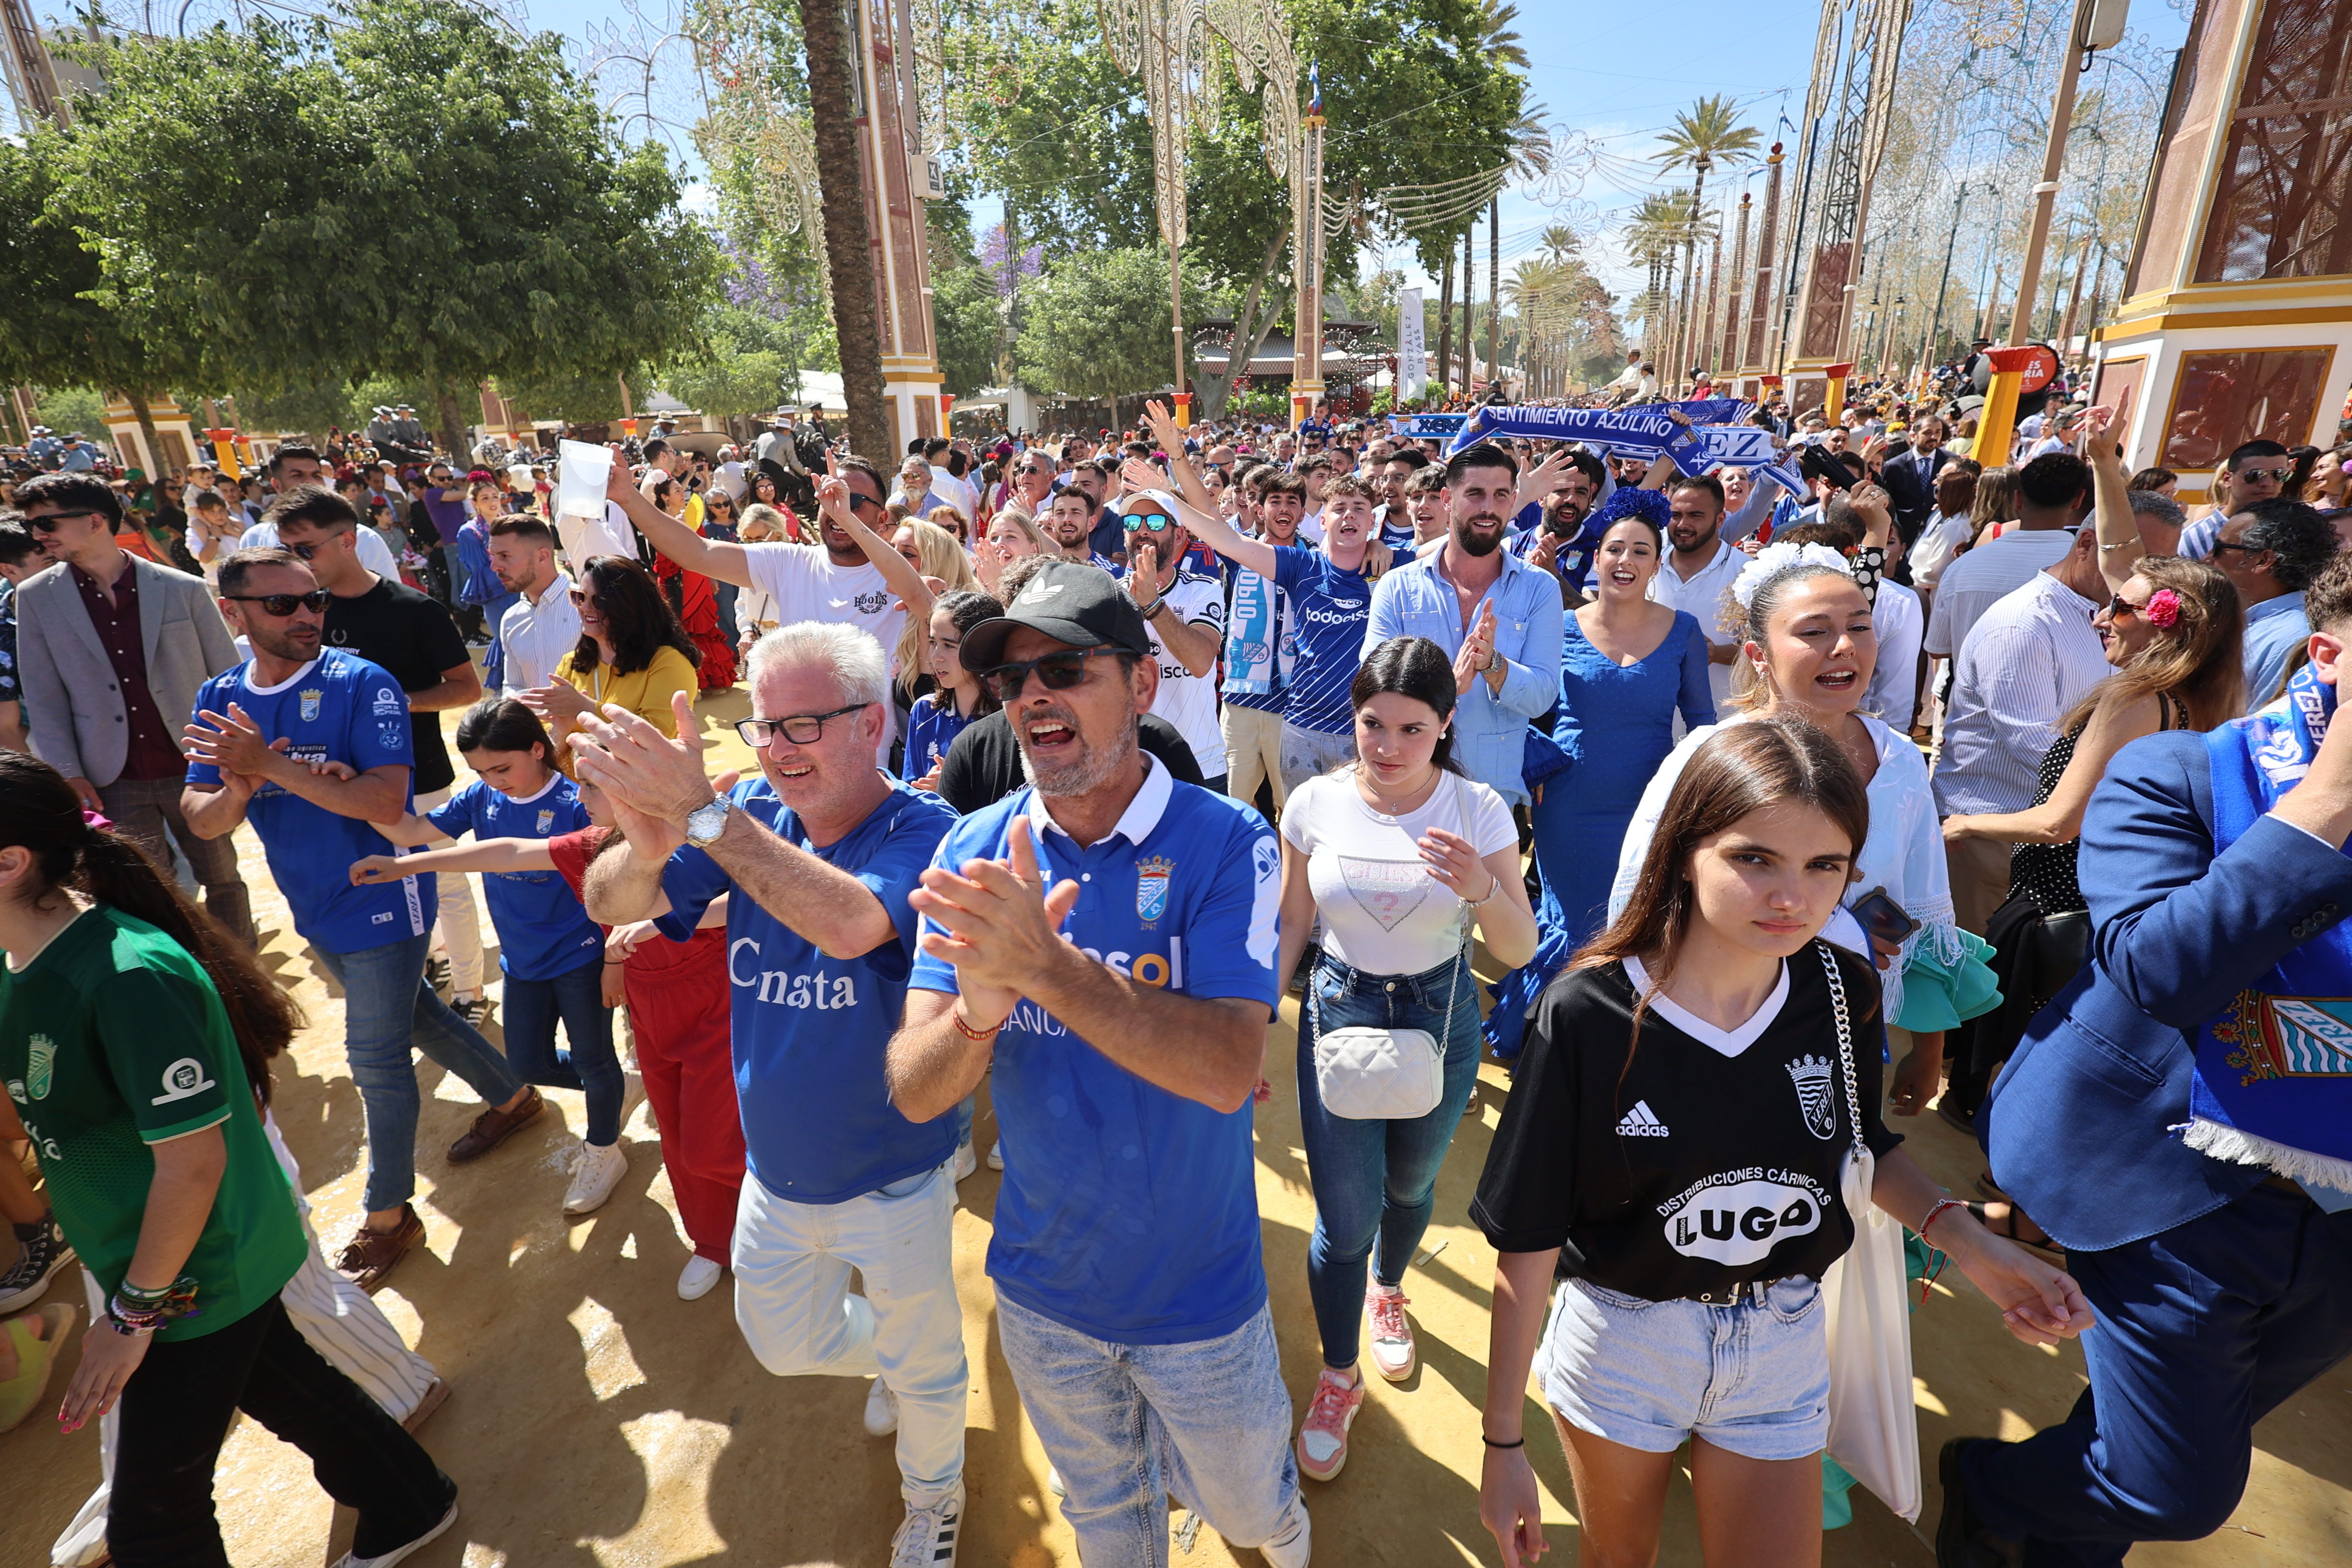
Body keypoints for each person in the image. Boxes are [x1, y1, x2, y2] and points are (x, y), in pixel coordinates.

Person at [1473, 717, 2092, 1568]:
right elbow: (1529, 1235)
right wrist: (1502, 1443)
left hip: (1783, 1338)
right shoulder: (1587, 1015)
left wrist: (1972, 1244)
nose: (1793, 897)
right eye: (1754, 859)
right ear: (1685, 848)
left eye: (1824, 866)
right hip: (1626, 1342)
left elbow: (1861, 1146)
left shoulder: (1843, 990)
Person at [885, 560, 1310, 1568]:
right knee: (1108, 1525)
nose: (1031, 694)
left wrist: (1045, 968)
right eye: (1009, 679)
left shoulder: (1226, 841)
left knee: (1249, 1514)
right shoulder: (973, 851)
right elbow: (913, 1088)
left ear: (1142, 684)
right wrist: (978, 1018)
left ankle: (1274, 1524)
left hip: (1199, 1298)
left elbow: (1222, 1070)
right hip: (1043, 1298)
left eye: (1065, 667)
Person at [1939, 542, 2352, 1568]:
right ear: (2326, 660)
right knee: (2169, 1488)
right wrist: (2324, 811)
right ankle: (1981, 1484)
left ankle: (2042, 1546)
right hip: (2170, 1192)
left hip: (2333, 1227)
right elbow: (2157, 972)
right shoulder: (2178, 772)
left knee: (2156, 1441)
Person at [0, 752, 464, 1568]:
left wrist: (129, 1317)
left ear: (11, 862)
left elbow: (192, 1165)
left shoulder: (126, 976)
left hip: (192, 1271)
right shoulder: (19, 966)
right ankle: (412, 1499)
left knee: (153, 1520)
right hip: (158, 1261)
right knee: (292, 1388)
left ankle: (410, 1498)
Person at [575, 624, 970, 1568]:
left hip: (896, 1175)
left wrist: (708, 821)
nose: (778, 749)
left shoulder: (928, 831)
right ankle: (909, 1364)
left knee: (928, 1374)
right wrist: (643, 842)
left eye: (803, 724)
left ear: (875, 724)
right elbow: (606, 901)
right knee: (787, 1344)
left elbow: (847, 923)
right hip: (778, 1175)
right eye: (763, 727)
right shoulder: (751, 809)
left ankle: (936, 1495)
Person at [182, 548, 539, 1289]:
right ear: (234, 611)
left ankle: (388, 1213)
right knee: (418, 1017)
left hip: (383, 892)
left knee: (375, 1055)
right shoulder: (220, 697)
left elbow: (384, 806)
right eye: (284, 605)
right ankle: (514, 1094)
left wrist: (273, 767)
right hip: (311, 901)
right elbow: (204, 819)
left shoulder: (363, 682)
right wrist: (241, 785)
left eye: (314, 601)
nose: (308, 615)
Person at [1612, 545, 1999, 1117]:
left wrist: (1926, 1046)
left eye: (1859, 627)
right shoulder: (1709, 757)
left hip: (1843, 1025)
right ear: (1758, 654)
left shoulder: (1900, 760)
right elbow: (1644, 894)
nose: (1843, 647)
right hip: (1716, 1017)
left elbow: (1917, 906)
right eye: (1814, 632)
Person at [1277, 637, 1537, 1482]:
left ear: (1446, 723)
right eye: (1371, 725)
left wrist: (1481, 888)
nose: (1386, 748)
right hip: (1338, 1010)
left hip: (1441, 1015)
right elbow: (1290, 924)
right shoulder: (1313, 802)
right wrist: (1252, 1020)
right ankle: (1338, 1374)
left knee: (1411, 1188)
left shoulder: (1478, 810)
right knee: (1342, 1221)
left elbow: (1520, 944)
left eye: (1411, 730)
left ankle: (1393, 1288)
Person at [355, 698, 626, 1216]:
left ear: (538, 749)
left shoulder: (579, 803)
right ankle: (608, 1090)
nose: (493, 780)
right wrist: (351, 790)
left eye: (502, 767)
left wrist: (616, 961)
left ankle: (604, 1147)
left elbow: (615, 889)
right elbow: (411, 833)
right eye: (481, 771)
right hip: (522, 963)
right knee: (527, 1062)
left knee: (592, 1056)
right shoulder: (480, 798)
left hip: (580, 955)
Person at [12, 473, 254, 947]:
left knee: (224, 878)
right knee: (145, 892)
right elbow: (44, 696)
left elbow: (229, 680)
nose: (38, 535)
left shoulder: (181, 588)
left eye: (47, 523)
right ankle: (182, 981)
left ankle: (244, 984)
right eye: (33, 526)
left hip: (195, 766)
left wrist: (233, 755)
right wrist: (68, 770)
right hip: (111, 778)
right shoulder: (36, 598)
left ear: (96, 521)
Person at [1365, 444, 1566, 808]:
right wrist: (1448, 687)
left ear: (1512, 501)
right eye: (1475, 494)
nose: (1489, 507)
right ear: (1447, 499)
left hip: (1494, 801)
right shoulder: (1396, 588)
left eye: (1501, 495)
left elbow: (1541, 698)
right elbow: (1373, 691)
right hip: (1406, 794)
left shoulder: (1540, 589)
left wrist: (1494, 665)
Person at [522, 554, 701, 767]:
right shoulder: (572, 664)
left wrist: (586, 708)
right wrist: (561, 730)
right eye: (580, 597)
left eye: (598, 601)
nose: (585, 608)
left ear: (628, 606)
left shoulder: (668, 662)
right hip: (584, 795)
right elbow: (547, 750)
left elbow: (657, 736)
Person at [1925, 453, 2089, 673]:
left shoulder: (1963, 567)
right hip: (2058, 703)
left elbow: (1939, 648)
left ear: (2018, 499)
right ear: (2079, 500)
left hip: (1969, 702)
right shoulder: (2089, 568)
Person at [2208, 496, 2337, 710]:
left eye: (2219, 548)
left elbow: (2257, 730)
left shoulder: (2292, 639)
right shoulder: (2246, 619)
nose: (2208, 558)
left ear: (2263, 561)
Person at [1644, 473, 1746, 710]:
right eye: (1676, 515)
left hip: (1719, 723)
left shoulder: (1747, 572)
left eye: (1696, 516)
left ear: (1720, 520)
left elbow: (1767, 648)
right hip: (1650, 721)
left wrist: (1714, 654)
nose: (1683, 525)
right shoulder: (1645, 563)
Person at [902, 590, 1003, 791]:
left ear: (982, 649)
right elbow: (910, 792)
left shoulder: (1010, 715)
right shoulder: (924, 710)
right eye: (933, 643)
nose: (936, 657)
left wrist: (952, 786)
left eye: (949, 645)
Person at [487, 514, 579, 697]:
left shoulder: (587, 608)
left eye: (505, 556)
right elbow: (513, 685)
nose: (495, 566)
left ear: (542, 557)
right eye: (493, 556)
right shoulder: (511, 618)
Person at [2179, 439, 2294, 558]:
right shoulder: (2195, 539)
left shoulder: (2294, 532)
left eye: (2279, 475)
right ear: (2228, 479)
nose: (2268, 483)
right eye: (2255, 475)